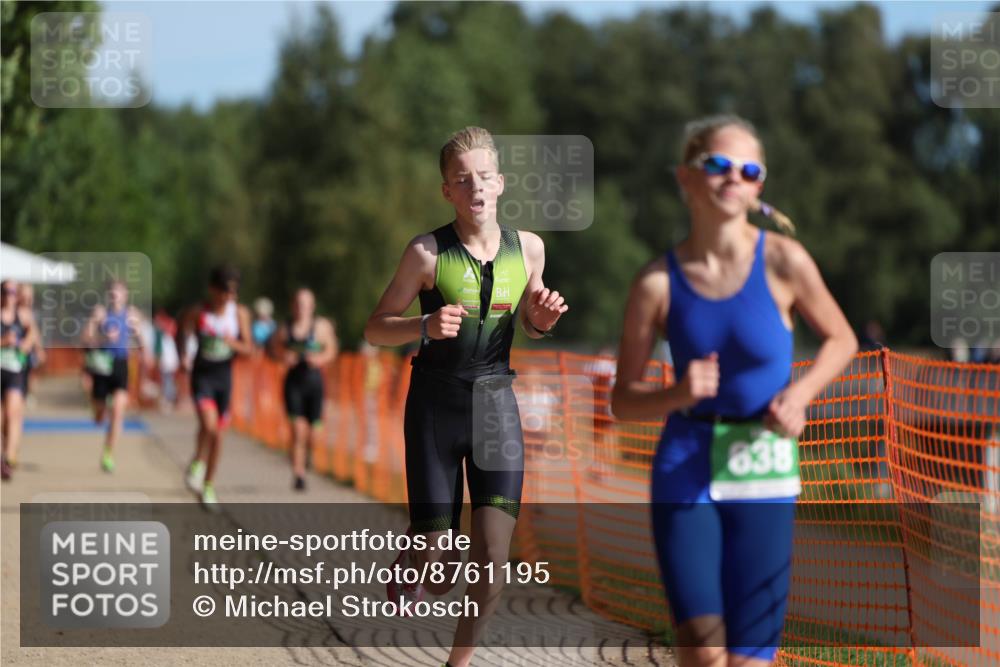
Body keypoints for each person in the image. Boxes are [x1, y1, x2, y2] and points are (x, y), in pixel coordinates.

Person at [611, 114, 858, 667]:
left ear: (759, 187)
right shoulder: (655, 282)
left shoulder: (784, 261)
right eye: (718, 165)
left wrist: (801, 395)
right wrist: (676, 394)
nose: (734, 179)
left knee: (750, 657)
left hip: (761, 461)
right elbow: (623, 401)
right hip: (686, 462)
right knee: (701, 648)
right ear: (686, 176)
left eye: (749, 170)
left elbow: (842, 339)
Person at [364, 126, 568, 667]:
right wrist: (423, 322)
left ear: (499, 183)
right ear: (447, 192)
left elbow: (530, 318)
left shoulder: (529, 249)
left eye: (483, 176)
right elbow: (375, 328)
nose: (474, 186)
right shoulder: (426, 253)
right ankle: (421, 543)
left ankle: (458, 663)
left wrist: (542, 321)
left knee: (494, 555)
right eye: (461, 179)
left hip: (496, 406)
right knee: (440, 566)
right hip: (434, 406)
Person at [179, 265, 253, 509]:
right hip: (203, 377)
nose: (227, 298)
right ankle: (198, 462)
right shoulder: (198, 312)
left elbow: (249, 349)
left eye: (232, 294)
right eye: (223, 292)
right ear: (212, 289)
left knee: (218, 434)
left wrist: (232, 343)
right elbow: (182, 331)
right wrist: (183, 355)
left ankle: (208, 484)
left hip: (224, 379)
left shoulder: (239, 314)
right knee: (210, 427)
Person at [269, 288, 338, 490]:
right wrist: (284, 356)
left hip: (315, 383)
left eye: (306, 304)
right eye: (298, 304)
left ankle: (308, 457)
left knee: (313, 434)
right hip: (293, 384)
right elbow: (274, 348)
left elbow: (332, 350)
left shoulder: (321, 327)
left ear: (312, 306)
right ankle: (299, 474)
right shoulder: (285, 328)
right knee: (297, 430)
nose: (302, 308)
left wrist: (319, 359)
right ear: (293, 306)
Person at [82, 279, 150, 473]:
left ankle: (108, 454)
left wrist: (137, 334)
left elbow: (142, 343)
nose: (115, 295)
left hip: (121, 365)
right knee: (99, 415)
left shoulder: (131, 315)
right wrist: (99, 331)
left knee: (119, 411)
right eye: (112, 292)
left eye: (119, 292)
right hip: (102, 365)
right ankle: (98, 410)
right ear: (108, 294)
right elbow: (85, 338)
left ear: (126, 294)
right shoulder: (100, 313)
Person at [1, 280, 38, 480]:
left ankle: (9, 456)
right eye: (6, 291)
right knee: (2, 419)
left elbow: (33, 332)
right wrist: (3, 342)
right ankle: (5, 451)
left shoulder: (23, 315)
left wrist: (27, 343)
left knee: (13, 413)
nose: (10, 296)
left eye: (13, 292)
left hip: (15, 370)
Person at [16, 283, 45, 403]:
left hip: (23, 355)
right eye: (26, 296)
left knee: (24, 383)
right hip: (12, 354)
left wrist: (39, 349)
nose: (29, 300)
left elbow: (34, 333)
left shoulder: (29, 313)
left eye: (30, 297)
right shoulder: (13, 311)